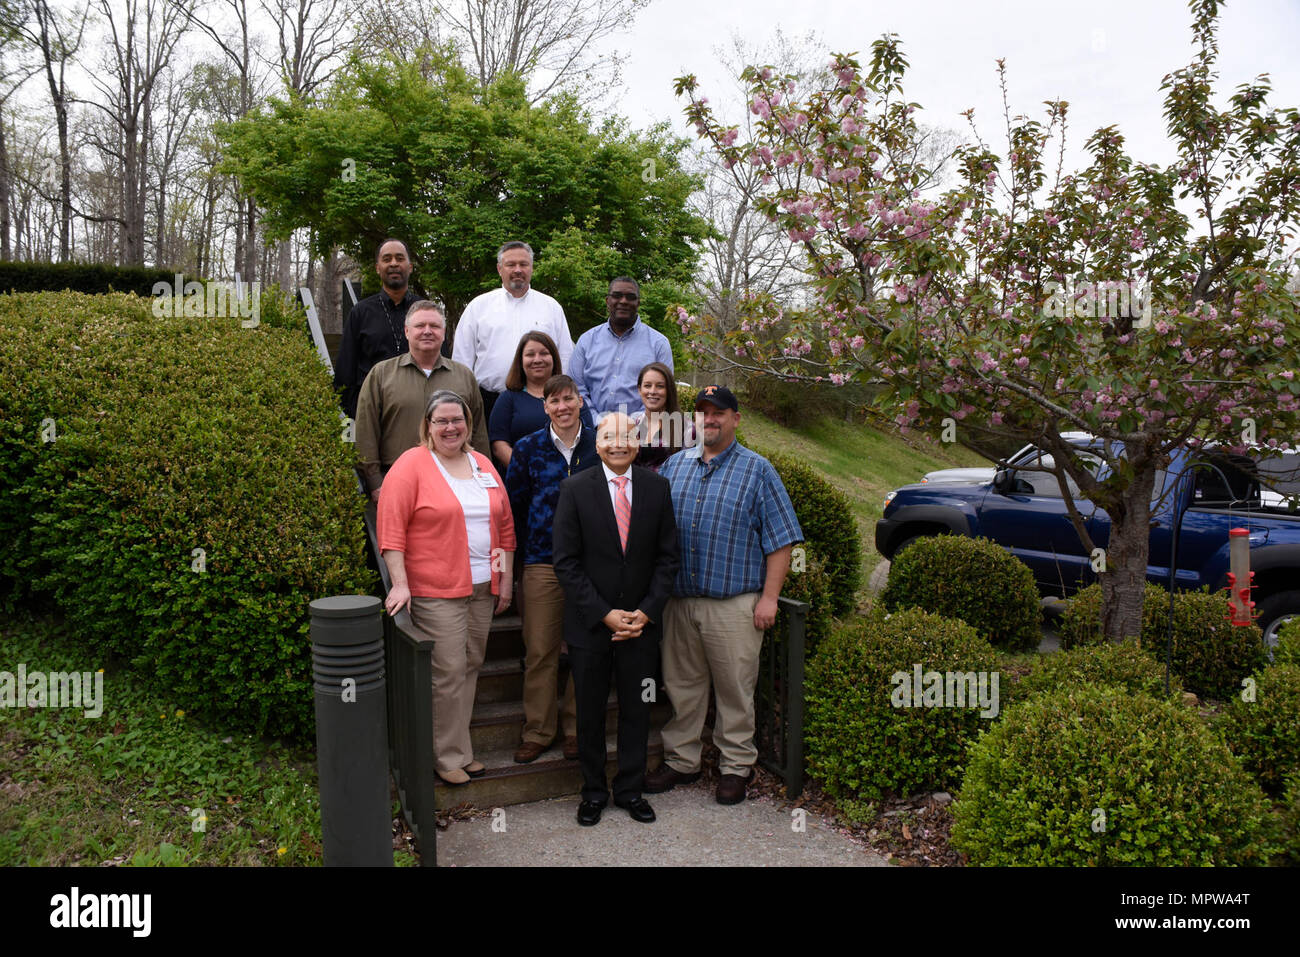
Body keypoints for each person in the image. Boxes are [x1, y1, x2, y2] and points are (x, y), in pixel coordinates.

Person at [644, 385, 804, 805]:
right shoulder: (675, 467)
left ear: (735, 418)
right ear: (693, 419)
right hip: (680, 601)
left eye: (719, 412)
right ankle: (683, 761)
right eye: (702, 412)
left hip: (734, 604)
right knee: (682, 686)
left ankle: (736, 766)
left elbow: (781, 541)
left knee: (735, 688)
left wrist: (770, 598)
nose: (709, 419)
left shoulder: (758, 470)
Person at [378, 390, 515, 786]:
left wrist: (503, 578)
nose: (451, 427)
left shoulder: (482, 463)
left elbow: (504, 526)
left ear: (469, 425)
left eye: (458, 420)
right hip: (437, 590)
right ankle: (446, 755)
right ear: (428, 426)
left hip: (482, 586)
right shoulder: (412, 465)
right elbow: (391, 529)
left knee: (471, 665)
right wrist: (401, 584)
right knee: (448, 671)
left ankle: (460, 749)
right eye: (442, 421)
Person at [552, 413, 680, 826]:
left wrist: (646, 611)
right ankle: (592, 792)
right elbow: (566, 563)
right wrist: (605, 614)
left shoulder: (657, 489)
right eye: (609, 436)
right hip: (592, 627)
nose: (618, 443)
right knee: (589, 712)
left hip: (641, 628)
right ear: (598, 443)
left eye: (627, 436)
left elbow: (667, 559)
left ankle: (629, 789)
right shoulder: (574, 489)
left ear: (638, 444)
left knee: (637, 709)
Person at [503, 375, 598, 764]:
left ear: (580, 402)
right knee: (540, 650)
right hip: (542, 562)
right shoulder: (528, 449)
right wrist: (518, 563)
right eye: (554, 400)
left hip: (592, 566)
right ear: (545, 406)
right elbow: (514, 507)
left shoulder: (599, 445)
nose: (562, 406)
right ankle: (539, 730)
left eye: (568, 399)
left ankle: (576, 729)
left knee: (585, 650)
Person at [356, 301, 489, 502]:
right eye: (420, 326)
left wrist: (482, 475)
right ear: (407, 331)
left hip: (457, 481)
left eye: (434, 326)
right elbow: (366, 431)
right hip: (397, 481)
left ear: (444, 333)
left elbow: (478, 432)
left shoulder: (464, 376)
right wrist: (375, 482)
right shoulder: (381, 374)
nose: (427, 331)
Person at [452, 241, 574, 424]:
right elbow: (462, 360)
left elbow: (565, 356)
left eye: (523, 264)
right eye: (511, 264)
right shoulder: (478, 307)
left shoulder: (551, 307)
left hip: (542, 403)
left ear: (532, 268)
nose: (518, 269)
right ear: (500, 269)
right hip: (488, 402)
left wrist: (562, 397)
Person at [335, 239, 432, 419]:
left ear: (409, 267)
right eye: (387, 259)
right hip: (371, 412)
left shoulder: (426, 311)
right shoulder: (361, 313)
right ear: (378, 268)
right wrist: (359, 412)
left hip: (421, 414)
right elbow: (344, 372)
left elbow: (441, 360)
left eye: (399, 258)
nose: (394, 263)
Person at [568, 277, 673, 422]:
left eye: (630, 297)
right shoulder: (587, 341)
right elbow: (576, 389)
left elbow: (664, 392)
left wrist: (631, 425)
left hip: (642, 434)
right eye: (617, 296)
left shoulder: (659, 344)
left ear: (638, 303)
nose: (623, 301)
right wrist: (598, 423)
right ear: (607, 301)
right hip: (592, 432)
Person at [488, 331, 594, 470]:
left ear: (554, 358)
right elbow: (499, 446)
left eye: (544, 353)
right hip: (523, 481)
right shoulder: (508, 399)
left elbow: (588, 439)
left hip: (572, 480)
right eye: (530, 354)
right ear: (521, 360)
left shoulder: (572, 397)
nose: (537, 359)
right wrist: (526, 471)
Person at [629, 361, 694, 472]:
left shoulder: (686, 428)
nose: (653, 391)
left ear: (669, 390)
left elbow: (688, 472)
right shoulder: (632, 422)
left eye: (660, 386)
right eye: (647, 386)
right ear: (639, 389)